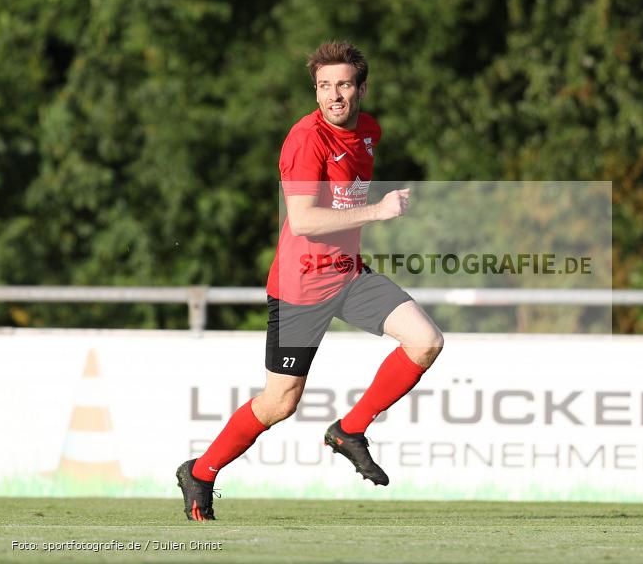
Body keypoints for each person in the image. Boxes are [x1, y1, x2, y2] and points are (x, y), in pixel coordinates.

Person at [175, 41, 444, 521]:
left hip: (348, 275)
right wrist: (380, 210)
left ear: (361, 87)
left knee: (425, 341)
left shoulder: (369, 131)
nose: (333, 95)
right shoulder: (305, 138)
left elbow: (342, 203)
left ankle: (349, 431)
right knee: (280, 402)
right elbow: (301, 221)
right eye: (324, 86)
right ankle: (201, 473)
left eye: (343, 84)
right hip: (300, 287)